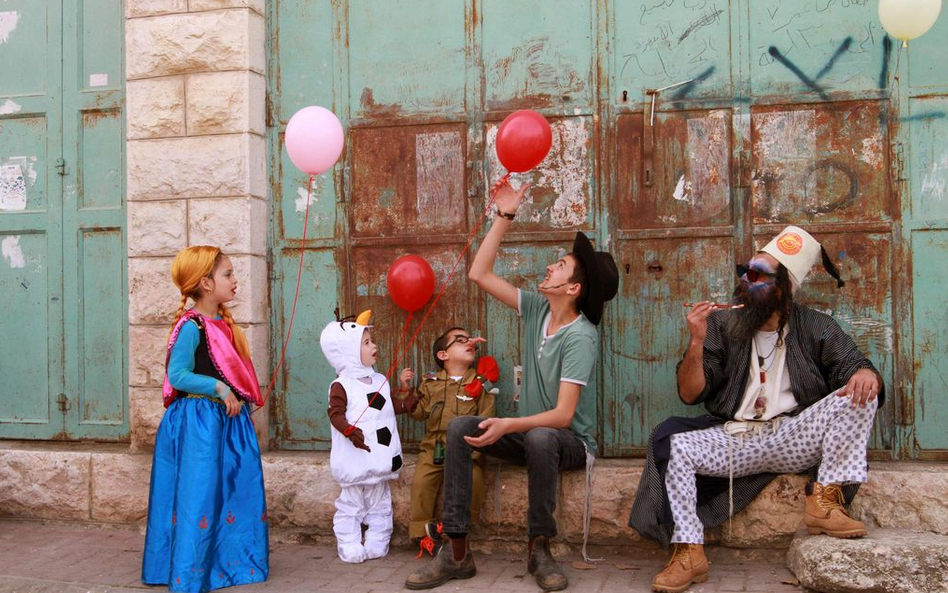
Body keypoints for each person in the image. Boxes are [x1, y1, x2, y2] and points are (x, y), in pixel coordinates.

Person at [628, 226, 884, 593]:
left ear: (781, 289)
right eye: (745, 273)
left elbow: (852, 364)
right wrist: (697, 340)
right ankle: (688, 551)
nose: (745, 281)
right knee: (678, 444)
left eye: (757, 276)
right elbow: (690, 393)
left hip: (793, 436)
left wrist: (862, 373)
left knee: (862, 390)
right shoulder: (722, 324)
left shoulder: (816, 326)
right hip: (737, 438)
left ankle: (825, 502)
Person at [405, 181, 619, 592]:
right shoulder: (538, 307)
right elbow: (478, 273)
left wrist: (505, 425)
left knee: (541, 435)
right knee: (458, 429)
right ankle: (457, 552)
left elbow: (563, 416)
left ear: (573, 288)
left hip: (570, 444)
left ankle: (540, 547)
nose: (550, 267)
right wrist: (503, 216)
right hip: (530, 436)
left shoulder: (582, 336)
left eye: (559, 265)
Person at [142, 246, 268, 593]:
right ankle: (189, 572)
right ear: (205, 283)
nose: (235, 280)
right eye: (228, 274)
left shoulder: (224, 324)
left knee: (232, 493)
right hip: (198, 424)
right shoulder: (191, 326)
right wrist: (218, 387)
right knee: (198, 496)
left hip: (225, 425)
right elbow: (178, 374)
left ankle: (230, 563)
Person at [320, 310, 412, 563]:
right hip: (355, 457)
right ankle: (349, 542)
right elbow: (335, 413)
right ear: (347, 351)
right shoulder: (342, 385)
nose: (374, 346)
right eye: (366, 342)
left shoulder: (379, 380)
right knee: (351, 504)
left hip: (380, 456)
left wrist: (409, 397)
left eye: (372, 341)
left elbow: (391, 407)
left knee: (381, 503)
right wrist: (349, 430)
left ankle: (377, 540)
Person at [402, 327, 497, 556]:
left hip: (467, 444)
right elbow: (420, 413)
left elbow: (487, 415)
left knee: (473, 479)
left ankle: (458, 529)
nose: (468, 343)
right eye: (459, 340)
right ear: (443, 355)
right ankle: (423, 534)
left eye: (469, 340)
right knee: (422, 483)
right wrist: (407, 391)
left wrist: (479, 442)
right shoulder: (430, 382)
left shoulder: (479, 382)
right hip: (435, 443)